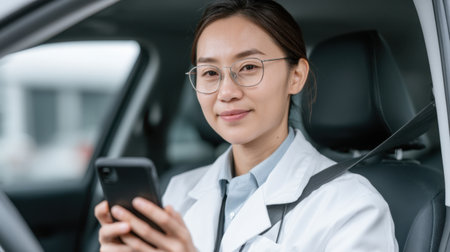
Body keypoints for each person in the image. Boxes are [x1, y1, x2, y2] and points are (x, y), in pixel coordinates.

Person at [95, 0, 398, 251]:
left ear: (296, 76)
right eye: (210, 72)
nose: (227, 92)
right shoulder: (179, 191)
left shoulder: (354, 209)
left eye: (249, 67)